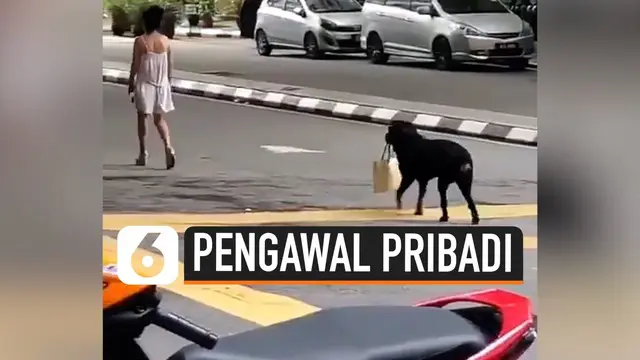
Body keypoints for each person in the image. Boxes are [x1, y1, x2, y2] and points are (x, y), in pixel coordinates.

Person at [127, 5, 176, 169]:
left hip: (145, 83)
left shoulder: (140, 41)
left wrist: (130, 83)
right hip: (161, 84)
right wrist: (167, 83)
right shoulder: (165, 40)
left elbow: (135, 65)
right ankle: (168, 146)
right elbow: (169, 65)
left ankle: (143, 153)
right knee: (159, 119)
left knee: (142, 117)